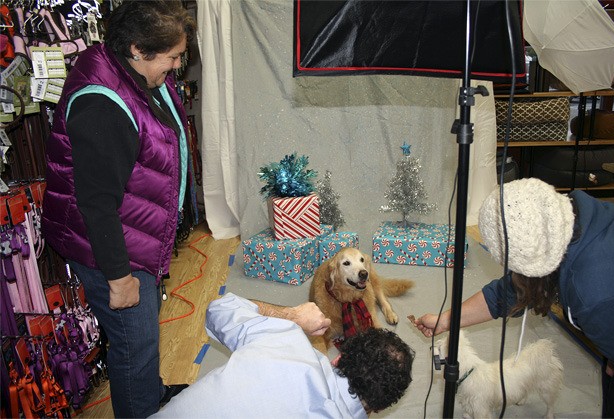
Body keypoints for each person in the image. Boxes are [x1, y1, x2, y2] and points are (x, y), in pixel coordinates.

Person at [41, 1, 196, 417]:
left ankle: (149, 392)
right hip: (111, 250)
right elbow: (96, 203)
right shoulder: (104, 105)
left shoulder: (130, 73)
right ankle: (140, 408)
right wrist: (120, 277)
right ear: (138, 50)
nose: (178, 65)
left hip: (134, 235)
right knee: (133, 343)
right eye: (173, 57)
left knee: (141, 338)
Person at [411, 177, 614, 418]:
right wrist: (446, 320)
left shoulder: (594, 295)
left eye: (511, 265)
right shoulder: (575, 220)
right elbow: (510, 292)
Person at [152, 292, 415, 418]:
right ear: (379, 408)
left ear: (338, 358)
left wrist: (292, 316)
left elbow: (220, 308)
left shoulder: (284, 339)